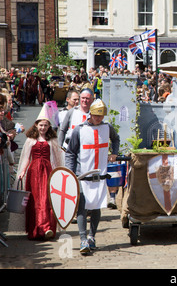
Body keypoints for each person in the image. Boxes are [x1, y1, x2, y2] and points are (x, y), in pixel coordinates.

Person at [65, 99, 120, 255]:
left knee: (96, 206)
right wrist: (70, 174)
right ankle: (83, 239)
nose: (98, 119)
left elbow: (116, 138)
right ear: (91, 113)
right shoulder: (79, 130)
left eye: (101, 116)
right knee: (82, 206)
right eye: (96, 115)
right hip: (83, 175)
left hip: (100, 175)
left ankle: (92, 237)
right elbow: (70, 153)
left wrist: (114, 152)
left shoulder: (107, 127)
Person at [16, 105, 64, 240]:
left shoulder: (52, 140)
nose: (43, 128)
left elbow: (57, 158)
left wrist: (59, 172)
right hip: (34, 172)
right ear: (36, 125)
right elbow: (25, 158)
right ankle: (36, 229)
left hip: (48, 171)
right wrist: (22, 171)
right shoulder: (30, 140)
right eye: (41, 125)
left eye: (45, 125)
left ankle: (47, 227)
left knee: (47, 199)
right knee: (35, 200)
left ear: (49, 126)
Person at [58, 84, 94, 149]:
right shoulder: (72, 112)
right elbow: (63, 130)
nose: (84, 100)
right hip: (70, 147)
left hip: (86, 148)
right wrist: (59, 147)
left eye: (87, 98)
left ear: (92, 100)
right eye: (83, 98)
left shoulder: (94, 114)